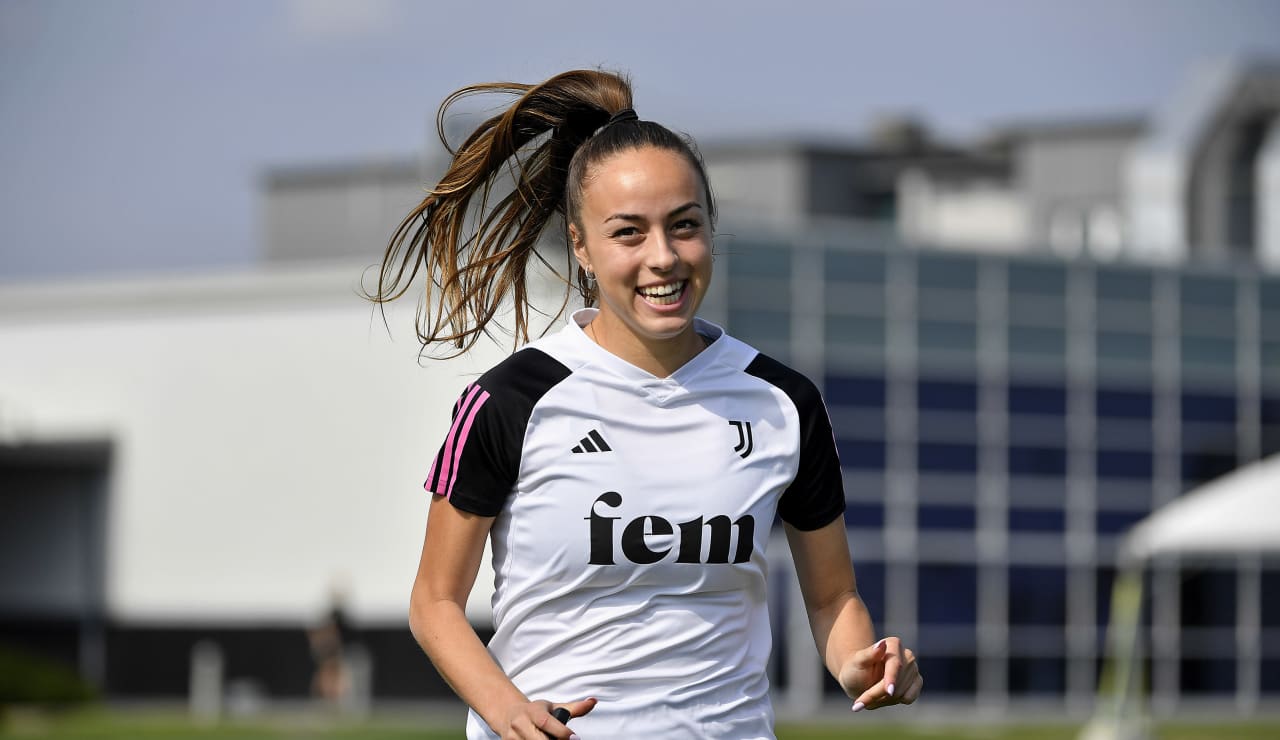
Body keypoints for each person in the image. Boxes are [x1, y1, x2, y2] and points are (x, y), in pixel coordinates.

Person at [374, 69, 922, 739]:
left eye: (683, 226)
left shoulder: (784, 402)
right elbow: (434, 603)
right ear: (581, 244)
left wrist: (864, 667)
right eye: (628, 233)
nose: (662, 258)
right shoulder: (510, 400)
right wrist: (508, 709)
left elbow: (834, 599)